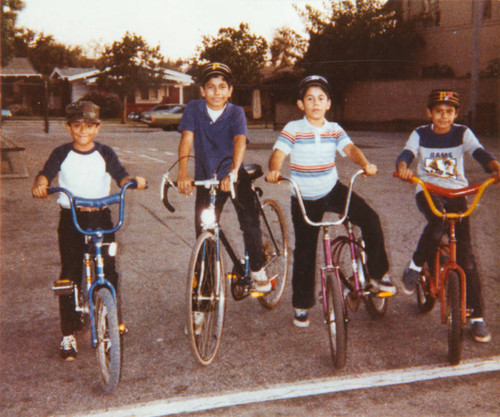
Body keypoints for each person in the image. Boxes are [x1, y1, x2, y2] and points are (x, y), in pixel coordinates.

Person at [266, 75, 396, 327]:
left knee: (369, 218)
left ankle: (379, 275)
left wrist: (365, 163)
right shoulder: (293, 128)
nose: (316, 103)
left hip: (331, 188)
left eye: (321, 99)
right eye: (310, 99)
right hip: (303, 196)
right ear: (301, 104)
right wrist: (274, 170)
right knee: (304, 250)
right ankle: (301, 305)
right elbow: (278, 154)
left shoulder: (334, 128)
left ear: (328, 104)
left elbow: (349, 149)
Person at [32, 101, 147, 360]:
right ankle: (68, 333)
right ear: (68, 127)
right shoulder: (61, 153)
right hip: (72, 218)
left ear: (97, 128)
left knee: (108, 269)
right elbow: (45, 173)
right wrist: (41, 184)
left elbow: (121, 175)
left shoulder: (105, 153)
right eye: (77, 126)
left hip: (101, 218)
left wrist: (132, 182)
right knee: (70, 273)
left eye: (89, 126)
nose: (83, 131)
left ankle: (111, 318)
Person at [396, 89, 500, 343]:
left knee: (467, 257)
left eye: (449, 112)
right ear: (429, 113)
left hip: (457, 192)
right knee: (438, 220)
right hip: (429, 191)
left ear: (456, 114)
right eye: (438, 111)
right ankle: (414, 267)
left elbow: (480, 153)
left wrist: (495, 168)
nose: (444, 116)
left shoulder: (462, 132)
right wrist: (403, 169)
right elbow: (407, 154)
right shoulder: (420, 133)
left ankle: (477, 318)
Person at [176, 62, 269, 294]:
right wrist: (183, 172)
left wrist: (234, 172)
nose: (216, 92)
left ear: (230, 91)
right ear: (202, 91)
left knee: (249, 221)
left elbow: (239, 140)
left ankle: (257, 268)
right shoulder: (194, 109)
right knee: (204, 232)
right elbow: (187, 138)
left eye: (222, 87)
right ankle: (204, 295)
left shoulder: (236, 112)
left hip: (235, 175)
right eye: (210, 86)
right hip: (208, 178)